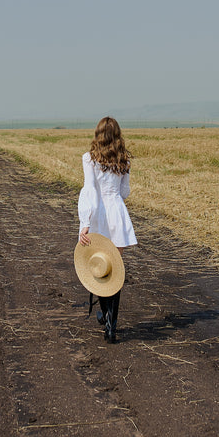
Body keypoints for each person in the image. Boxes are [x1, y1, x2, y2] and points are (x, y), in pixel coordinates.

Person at [78, 116, 137, 342]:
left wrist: (85, 223)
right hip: (118, 215)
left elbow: (90, 190)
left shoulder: (89, 158)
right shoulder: (124, 160)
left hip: (99, 216)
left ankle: (105, 317)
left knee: (101, 267)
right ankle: (111, 327)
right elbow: (124, 192)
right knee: (116, 271)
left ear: (98, 134)